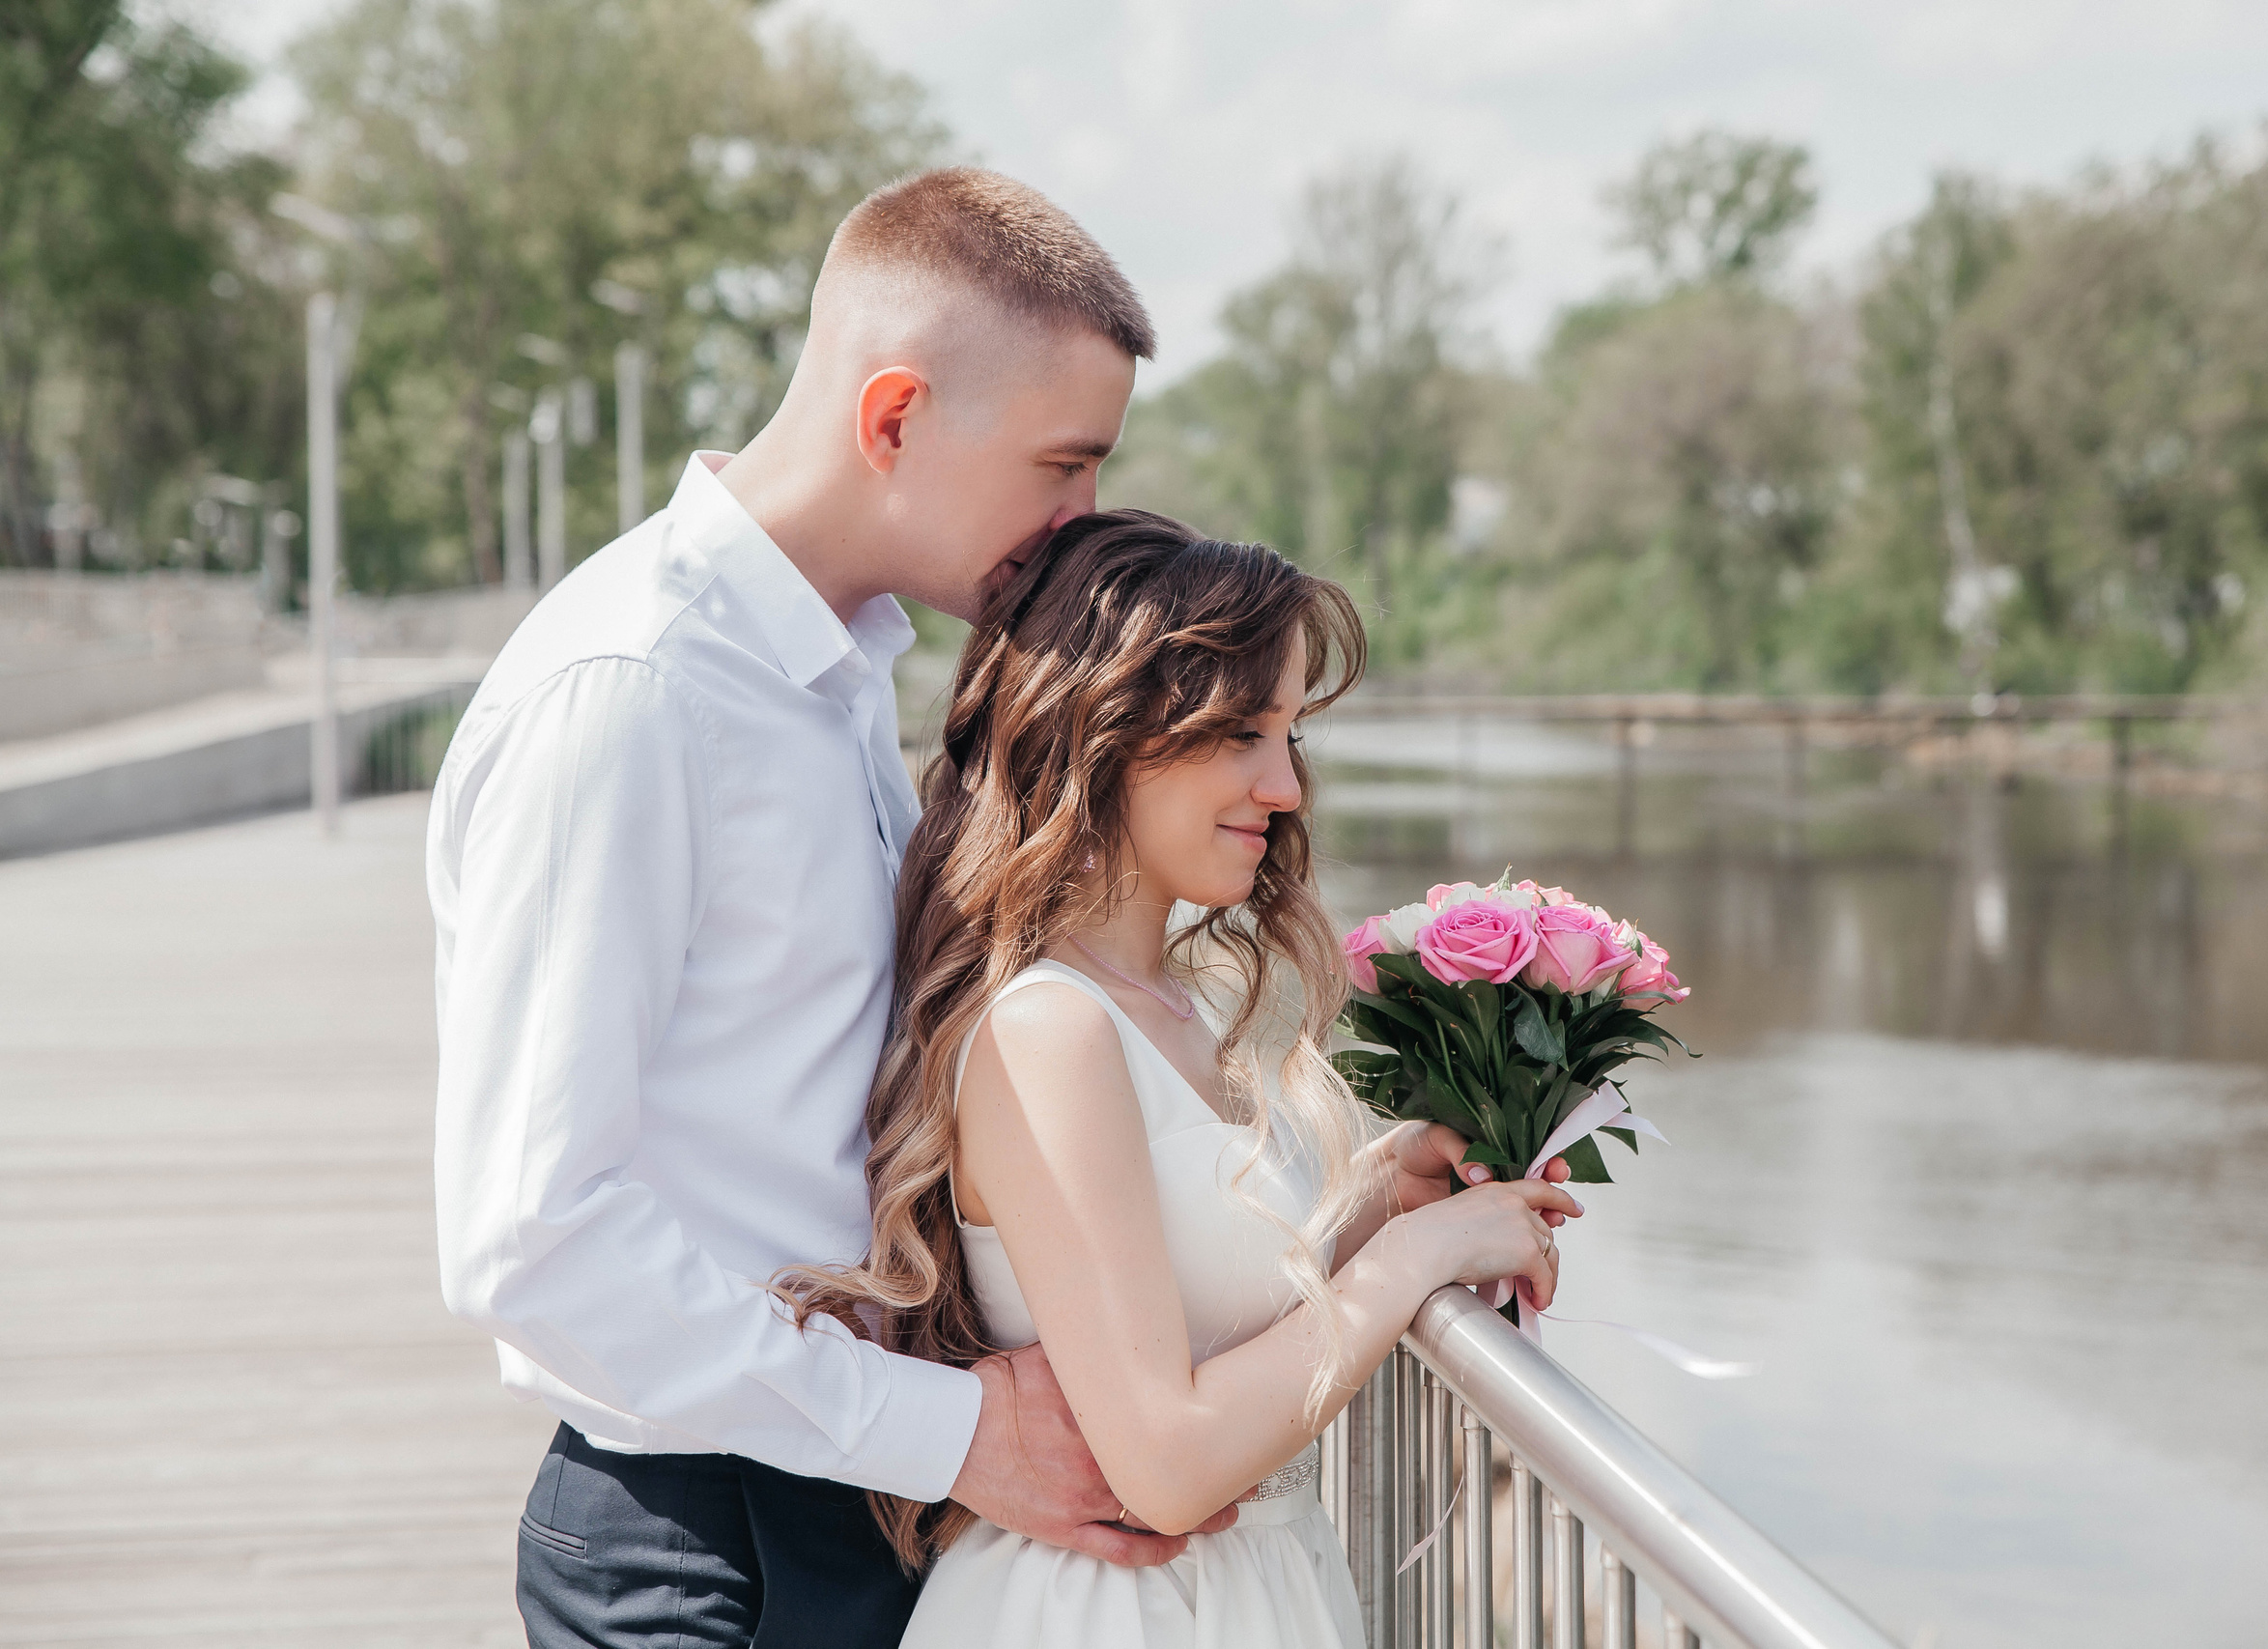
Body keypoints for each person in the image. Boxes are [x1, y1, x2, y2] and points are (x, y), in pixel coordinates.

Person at [427, 169, 1219, 1648]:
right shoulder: (637, 695)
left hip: (848, 1497)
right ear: (895, 416)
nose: (1082, 518)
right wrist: (947, 1429)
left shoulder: (840, 669)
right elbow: (530, 1237)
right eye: (1063, 465)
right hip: (708, 1542)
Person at [771, 510, 1582, 1647]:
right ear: (1106, 728)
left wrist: (1373, 1201)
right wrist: (1417, 1259)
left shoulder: (1179, 1002)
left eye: (1291, 735)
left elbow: (1203, 1306)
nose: (1285, 785)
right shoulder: (1047, 1030)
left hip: (1258, 1598)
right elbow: (1163, 1461)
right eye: (1243, 732)